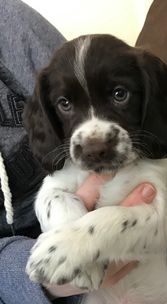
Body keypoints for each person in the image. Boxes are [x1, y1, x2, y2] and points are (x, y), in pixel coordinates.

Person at [0, 1, 156, 303]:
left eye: (119, 94)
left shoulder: (7, 21)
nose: (93, 137)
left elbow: (80, 73)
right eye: (67, 106)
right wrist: (50, 272)